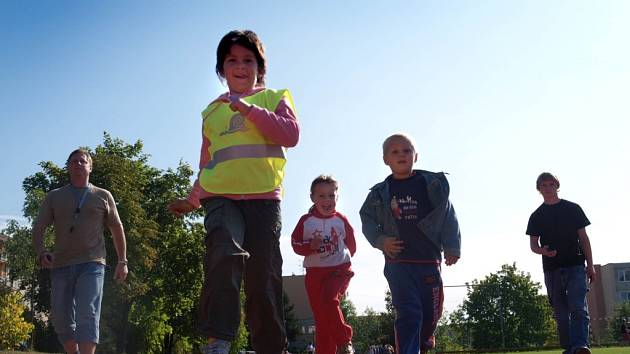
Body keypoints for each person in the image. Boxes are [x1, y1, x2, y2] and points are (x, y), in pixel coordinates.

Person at [168, 29, 299, 354]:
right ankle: (218, 341)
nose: (240, 66)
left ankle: (270, 347)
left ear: (260, 67)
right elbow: (209, 161)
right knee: (223, 256)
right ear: (221, 69)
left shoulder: (274, 97)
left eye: (247, 60)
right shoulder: (211, 113)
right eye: (232, 60)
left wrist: (249, 109)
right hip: (221, 198)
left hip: (264, 200)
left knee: (262, 278)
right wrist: (192, 198)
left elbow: (290, 135)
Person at [359, 133, 461, 354]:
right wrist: (380, 240)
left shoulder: (431, 185)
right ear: (385, 159)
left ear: (416, 155)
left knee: (430, 313)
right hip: (399, 262)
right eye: (394, 152)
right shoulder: (379, 193)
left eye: (406, 150)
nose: (401, 155)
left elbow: (448, 215)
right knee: (409, 312)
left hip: (428, 259)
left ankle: (423, 342)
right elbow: (367, 219)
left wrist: (452, 246)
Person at [32, 148, 128, 354]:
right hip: (61, 264)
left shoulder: (103, 195)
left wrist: (122, 261)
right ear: (68, 167)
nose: (78, 164)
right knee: (60, 318)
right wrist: (41, 252)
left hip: (92, 262)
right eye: (73, 161)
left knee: (88, 313)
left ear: (90, 167)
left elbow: (116, 228)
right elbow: (39, 226)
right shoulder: (55, 196)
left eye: (82, 161)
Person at [526, 172, 595, 354]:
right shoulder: (536, 216)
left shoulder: (573, 209)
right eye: (543, 186)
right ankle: (569, 347)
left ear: (557, 185)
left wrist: (591, 265)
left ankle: (581, 345)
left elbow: (584, 239)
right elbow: (533, 244)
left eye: (551, 184)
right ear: (539, 189)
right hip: (552, 269)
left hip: (576, 265)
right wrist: (543, 251)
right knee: (561, 312)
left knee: (578, 307)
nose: (548, 188)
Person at [291, 175, 356, 354]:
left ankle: (344, 342)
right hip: (315, 274)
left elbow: (352, 245)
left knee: (329, 300)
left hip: (338, 270)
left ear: (337, 197)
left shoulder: (341, 220)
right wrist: (310, 247)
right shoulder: (306, 221)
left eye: (331, 196)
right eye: (321, 196)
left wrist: (339, 258)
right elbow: (295, 244)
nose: (327, 200)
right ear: (312, 198)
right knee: (321, 317)